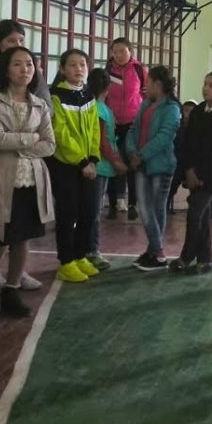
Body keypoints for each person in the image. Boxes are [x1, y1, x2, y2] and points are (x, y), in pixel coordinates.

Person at [0, 47, 56, 324]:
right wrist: (31, 138)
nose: (24, 69)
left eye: (29, 64)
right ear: (6, 69)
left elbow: (49, 145)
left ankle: (12, 290)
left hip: (31, 181)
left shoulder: (40, 104)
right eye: (17, 64)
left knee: (23, 240)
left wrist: (17, 141)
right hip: (1, 181)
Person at [168, 71, 212, 275]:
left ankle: (187, 255)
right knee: (202, 217)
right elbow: (188, 143)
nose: (206, 88)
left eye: (211, 85)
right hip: (193, 172)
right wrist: (189, 170)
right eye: (205, 84)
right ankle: (205, 258)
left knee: (195, 213)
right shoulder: (197, 111)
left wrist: (200, 173)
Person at [48, 49, 101, 283]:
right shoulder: (56, 96)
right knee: (67, 214)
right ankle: (66, 261)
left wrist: (93, 158)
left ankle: (80, 256)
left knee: (88, 212)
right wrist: (81, 161)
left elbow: (95, 129)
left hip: (88, 165)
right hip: (66, 166)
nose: (79, 69)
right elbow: (60, 132)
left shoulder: (89, 95)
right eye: (72, 65)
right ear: (62, 69)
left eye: (83, 64)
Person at [125, 66, 181, 271]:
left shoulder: (172, 109)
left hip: (161, 166)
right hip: (141, 164)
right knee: (145, 208)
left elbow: (164, 137)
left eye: (148, 82)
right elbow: (133, 130)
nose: (145, 85)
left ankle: (157, 253)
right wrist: (132, 152)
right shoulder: (145, 104)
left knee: (155, 210)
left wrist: (141, 155)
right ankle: (154, 251)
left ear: (158, 84)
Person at [88, 67, 127, 271]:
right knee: (93, 212)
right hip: (100, 166)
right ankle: (91, 251)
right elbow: (103, 143)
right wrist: (116, 162)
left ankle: (89, 249)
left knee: (92, 210)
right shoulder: (100, 109)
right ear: (107, 87)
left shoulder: (100, 107)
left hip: (102, 166)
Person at [106, 37, 146, 220]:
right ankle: (113, 203)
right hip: (112, 122)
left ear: (130, 51)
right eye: (115, 52)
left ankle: (132, 204)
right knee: (113, 161)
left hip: (132, 123)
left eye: (122, 51)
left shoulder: (139, 70)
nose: (119, 55)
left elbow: (146, 93)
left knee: (132, 162)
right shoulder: (108, 70)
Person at [0, 19, 52, 107]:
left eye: (21, 40)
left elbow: (47, 105)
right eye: (11, 41)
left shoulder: (31, 67)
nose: (18, 45)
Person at [168, 100, 197, 215]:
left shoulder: (198, 127)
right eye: (186, 110)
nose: (188, 114)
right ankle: (166, 204)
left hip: (192, 163)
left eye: (191, 111)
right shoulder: (175, 126)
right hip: (177, 162)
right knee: (173, 181)